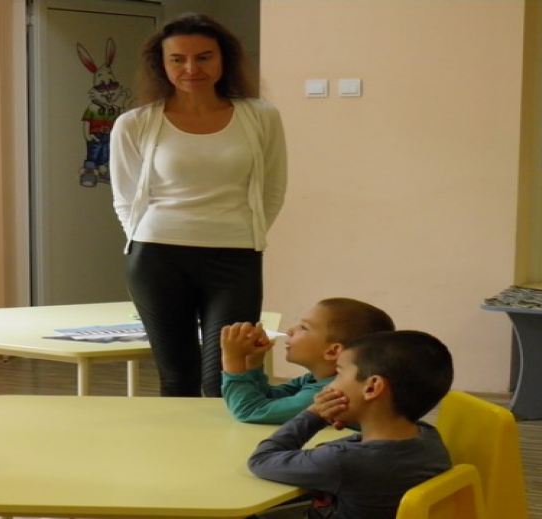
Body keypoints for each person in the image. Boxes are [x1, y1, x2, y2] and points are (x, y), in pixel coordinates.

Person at [109, 12, 287, 397]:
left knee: (224, 376)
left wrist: (243, 231)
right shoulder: (135, 123)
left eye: (204, 57)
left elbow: (273, 189)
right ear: (162, 64)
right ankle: (174, 439)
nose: (191, 69)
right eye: (178, 59)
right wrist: (144, 238)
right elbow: (124, 197)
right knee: (177, 377)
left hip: (235, 257)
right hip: (157, 257)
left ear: (224, 59)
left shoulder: (260, 117)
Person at [247, 330, 455, 519]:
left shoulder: (340, 461)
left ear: (372, 388)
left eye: (339, 374)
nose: (329, 386)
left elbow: (261, 460)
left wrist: (314, 415)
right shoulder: (428, 436)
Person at [221, 298, 395, 424]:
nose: (290, 331)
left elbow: (250, 411)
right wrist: (254, 360)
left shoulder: (331, 393)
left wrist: (232, 359)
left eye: (304, 327)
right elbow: (269, 399)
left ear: (332, 351)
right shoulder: (315, 379)